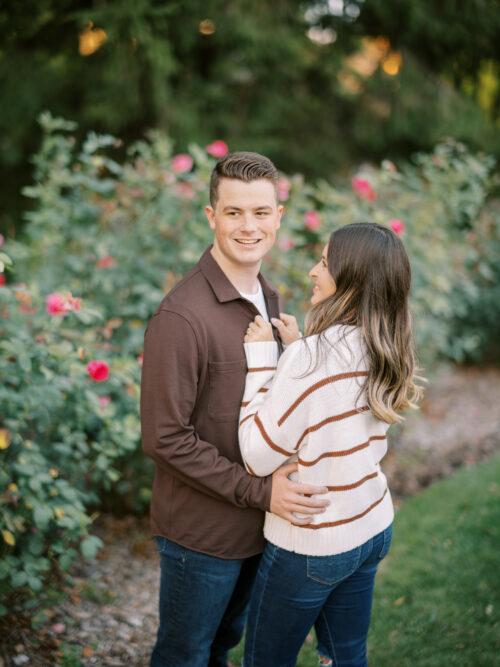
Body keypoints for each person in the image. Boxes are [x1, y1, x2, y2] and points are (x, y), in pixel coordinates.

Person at [140, 151, 330, 667]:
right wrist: (260, 491)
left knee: (223, 648)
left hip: (258, 524)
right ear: (211, 217)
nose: (249, 227)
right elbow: (164, 438)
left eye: (261, 212)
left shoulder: (266, 296)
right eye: (233, 213)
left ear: (279, 216)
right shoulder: (181, 317)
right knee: (185, 655)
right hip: (202, 537)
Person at [238, 222, 422, 667]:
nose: (312, 270)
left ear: (351, 280)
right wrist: (297, 348)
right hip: (372, 522)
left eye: (323, 261)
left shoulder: (312, 359)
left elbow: (256, 455)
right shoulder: (385, 344)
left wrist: (264, 361)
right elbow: (334, 407)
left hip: (314, 542)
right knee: (344, 656)